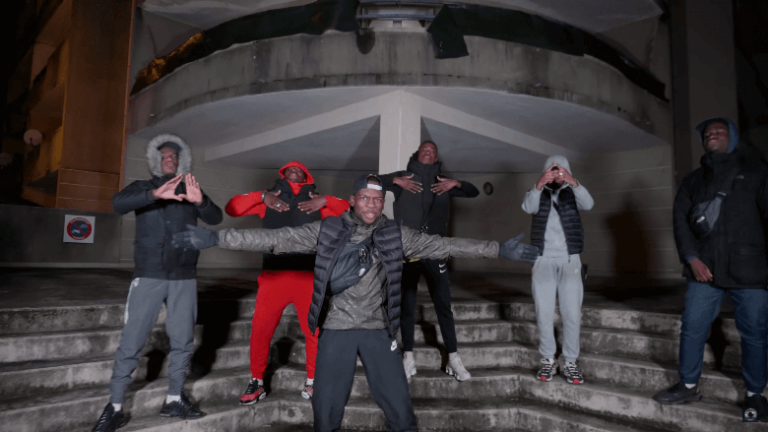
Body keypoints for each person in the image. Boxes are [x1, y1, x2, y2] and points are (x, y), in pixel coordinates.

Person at [172, 174, 539, 432]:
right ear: (352, 200)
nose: (371, 204)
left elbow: (444, 245)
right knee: (326, 415)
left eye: (377, 199)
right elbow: (277, 239)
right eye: (365, 197)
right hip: (336, 331)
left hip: (379, 331)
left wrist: (497, 249)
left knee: (401, 415)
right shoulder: (328, 229)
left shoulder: (395, 234)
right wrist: (218, 239)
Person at [91, 134, 223, 432]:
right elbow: (117, 203)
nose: (170, 159)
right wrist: (154, 195)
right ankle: (115, 407)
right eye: (164, 155)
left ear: (181, 161)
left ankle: (174, 399)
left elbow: (215, 217)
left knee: (183, 340)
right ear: (155, 160)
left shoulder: (191, 188)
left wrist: (201, 201)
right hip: (149, 274)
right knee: (132, 341)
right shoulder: (142, 188)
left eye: (174, 156)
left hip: (183, 276)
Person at [653, 118, 768, 421]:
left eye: (719, 131)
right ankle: (688, 385)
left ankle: (755, 394)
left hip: (750, 268)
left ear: (732, 136)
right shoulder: (693, 180)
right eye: (707, 133)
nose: (712, 135)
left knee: (755, 332)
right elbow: (680, 221)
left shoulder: (757, 171)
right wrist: (692, 258)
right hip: (704, 269)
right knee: (692, 326)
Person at [224, 161, 349, 404]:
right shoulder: (269, 199)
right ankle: (257, 382)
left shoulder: (317, 202)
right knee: (260, 330)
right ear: (282, 174)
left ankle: (313, 381)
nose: (293, 169)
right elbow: (233, 208)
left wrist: (326, 201)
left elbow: (351, 213)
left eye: (299, 168)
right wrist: (262, 196)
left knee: (314, 331)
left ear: (306, 176)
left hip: (307, 278)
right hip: (274, 278)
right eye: (288, 168)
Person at [379, 140, 480, 381]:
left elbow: (473, 191)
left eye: (432, 151)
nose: (428, 151)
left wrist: (456, 183)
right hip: (408, 251)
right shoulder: (404, 178)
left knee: (443, 305)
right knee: (407, 304)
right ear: (417, 155)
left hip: (435, 250)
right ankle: (408, 357)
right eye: (425, 149)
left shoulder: (442, 182)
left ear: (435, 159)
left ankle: (453, 357)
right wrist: (394, 180)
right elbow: (369, 182)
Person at [521, 155, 594, 385]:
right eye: (552, 170)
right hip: (542, 259)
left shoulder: (573, 191)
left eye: (560, 170)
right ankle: (548, 359)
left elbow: (589, 204)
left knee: (571, 314)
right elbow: (528, 207)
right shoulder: (537, 191)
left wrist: (573, 181)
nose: (556, 174)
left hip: (570, 259)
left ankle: (570, 362)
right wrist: (539, 183)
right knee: (543, 313)